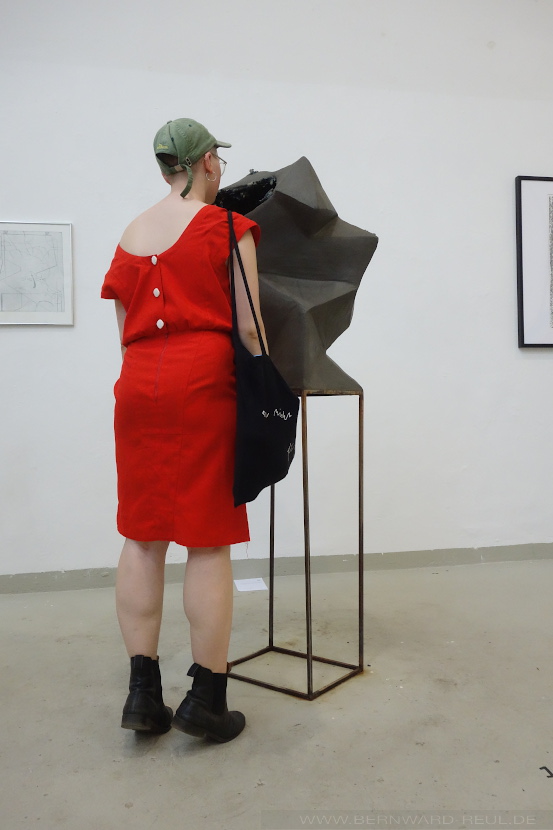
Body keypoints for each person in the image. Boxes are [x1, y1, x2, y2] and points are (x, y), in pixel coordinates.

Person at [101, 118, 267, 743]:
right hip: (202, 386)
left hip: (138, 388)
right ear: (205, 163)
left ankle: (143, 696)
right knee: (207, 541)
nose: (221, 168)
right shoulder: (228, 227)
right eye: (217, 159)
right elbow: (250, 329)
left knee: (143, 538)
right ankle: (206, 700)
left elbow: (125, 333)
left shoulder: (131, 234)